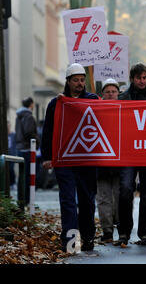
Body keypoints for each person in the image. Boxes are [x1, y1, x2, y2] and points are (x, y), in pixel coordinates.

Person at [41, 63, 99, 252]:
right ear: (68, 81)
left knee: (87, 200)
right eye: (76, 80)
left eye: (82, 80)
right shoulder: (56, 104)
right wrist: (47, 156)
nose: (80, 83)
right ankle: (70, 241)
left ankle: (88, 237)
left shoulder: (92, 100)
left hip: (87, 160)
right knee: (67, 200)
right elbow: (48, 131)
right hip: (64, 160)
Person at [116, 63, 146, 246]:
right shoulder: (122, 99)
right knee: (126, 191)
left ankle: (145, 232)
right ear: (132, 79)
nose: (142, 81)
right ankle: (124, 231)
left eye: (145, 78)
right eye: (138, 78)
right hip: (128, 152)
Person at [96, 78, 121, 243]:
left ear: (118, 94)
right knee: (104, 198)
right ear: (102, 94)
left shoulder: (125, 111)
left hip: (120, 164)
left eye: (113, 92)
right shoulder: (96, 111)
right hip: (101, 163)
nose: (111, 94)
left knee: (120, 197)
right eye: (107, 92)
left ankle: (121, 227)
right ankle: (107, 231)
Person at [15, 97, 40, 205]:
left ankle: (21, 200)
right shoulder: (28, 116)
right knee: (28, 176)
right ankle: (27, 200)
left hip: (20, 148)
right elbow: (29, 132)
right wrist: (37, 140)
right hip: (28, 148)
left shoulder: (18, 116)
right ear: (31, 104)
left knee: (22, 176)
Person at [7, 120, 17, 190]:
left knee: (11, 169)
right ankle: (8, 184)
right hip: (5, 154)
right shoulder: (4, 135)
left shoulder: (13, 135)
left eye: (8, 125)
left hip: (12, 155)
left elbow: (15, 145)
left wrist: (15, 154)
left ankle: (13, 183)